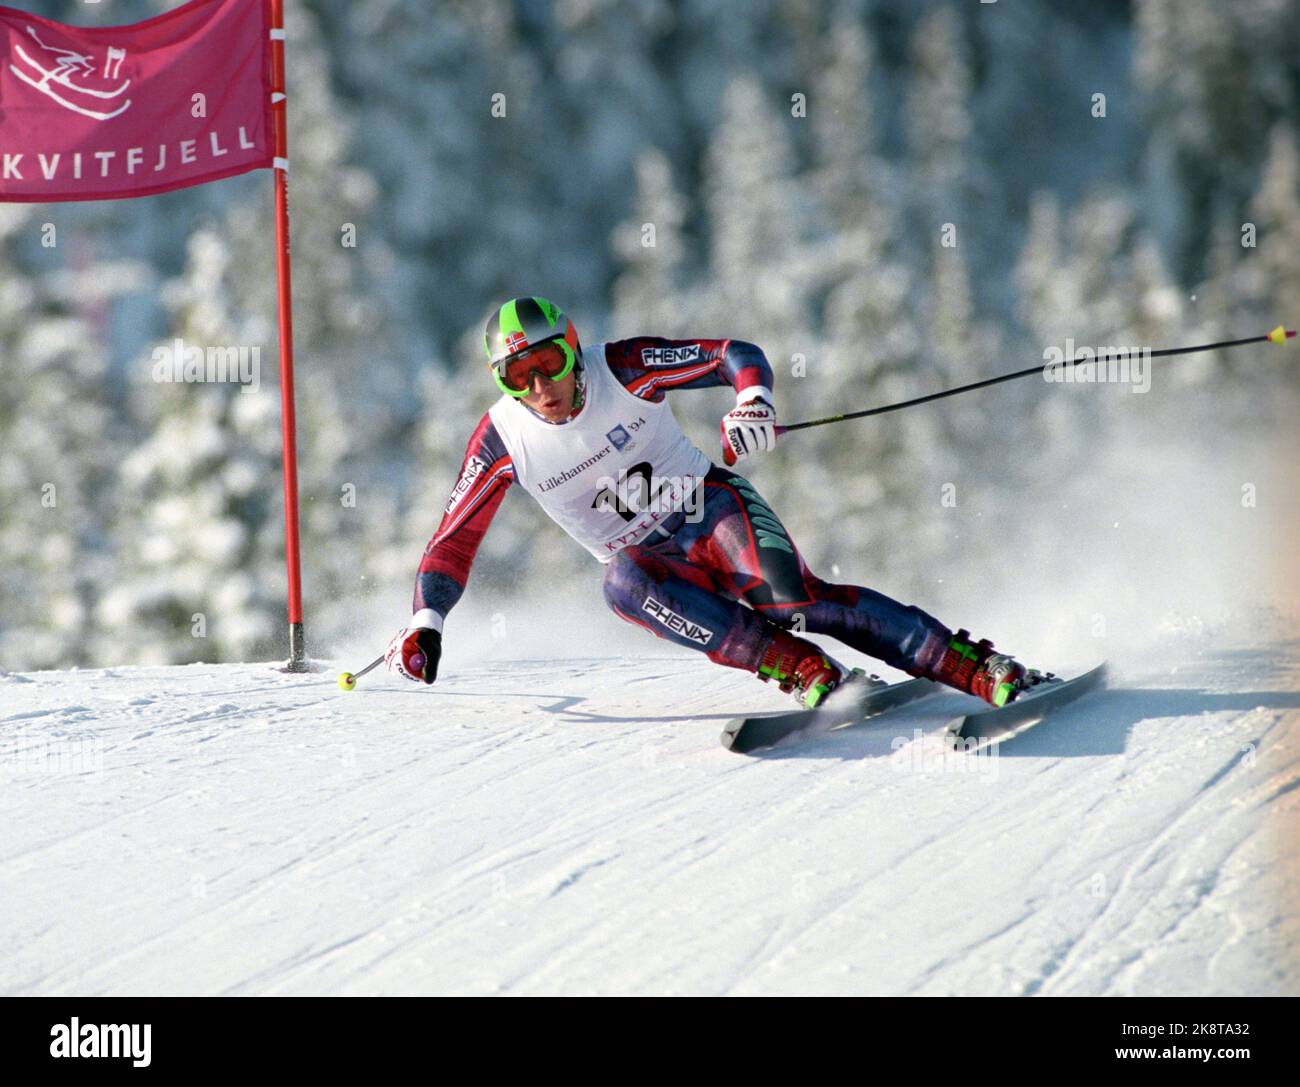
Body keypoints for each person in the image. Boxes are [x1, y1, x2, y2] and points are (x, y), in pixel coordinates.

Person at [387, 296, 1037, 710]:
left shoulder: (624, 366)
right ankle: (800, 669)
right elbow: (452, 542)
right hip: (657, 566)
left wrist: (752, 399)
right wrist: (427, 621)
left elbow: (734, 356)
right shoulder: (503, 437)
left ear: (573, 348)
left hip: (710, 511)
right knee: (621, 582)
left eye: (550, 361)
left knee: (794, 601)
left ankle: (971, 665)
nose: (541, 385)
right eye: (517, 376)